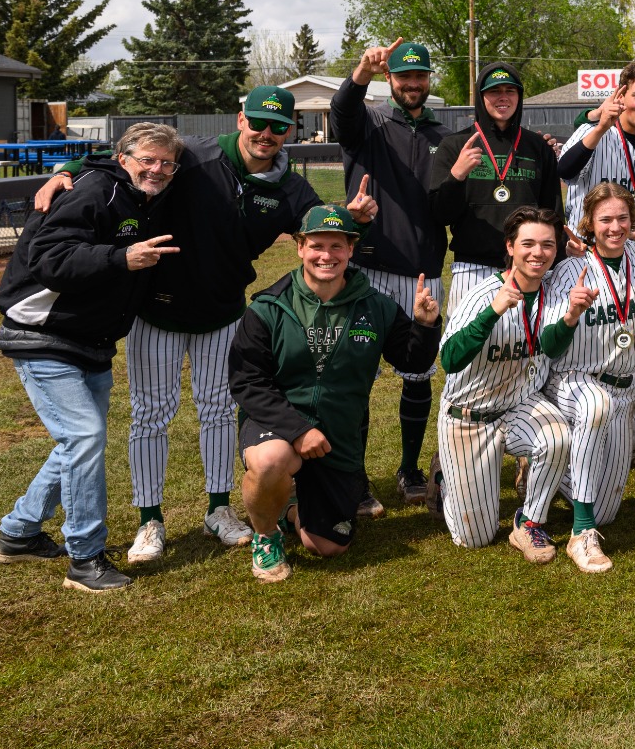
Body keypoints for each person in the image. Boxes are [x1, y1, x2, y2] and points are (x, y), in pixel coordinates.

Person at [34, 87, 361, 561]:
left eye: (278, 126)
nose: (266, 133)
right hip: (158, 311)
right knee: (151, 414)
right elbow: (121, 158)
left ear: (291, 130)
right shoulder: (194, 153)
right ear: (240, 119)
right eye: (258, 122)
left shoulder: (290, 186)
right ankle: (149, 520)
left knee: (218, 411)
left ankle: (218, 508)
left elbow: (322, 232)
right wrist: (63, 173)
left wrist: (357, 221)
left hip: (224, 314)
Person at [0, 122, 182, 592]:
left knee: (78, 442)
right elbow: (48, 259)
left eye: (165, 162)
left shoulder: (143, 195)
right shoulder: (95, 190)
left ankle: (18, 533)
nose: (156, 169)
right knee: (84, 436)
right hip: (43, 333)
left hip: (91, 340)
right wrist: (121, 258)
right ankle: (85, 557)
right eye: (146, 160)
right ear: (124, 159)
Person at [230, 206, 442, 583]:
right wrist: (298, 430)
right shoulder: (269, 306)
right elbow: (248, 383)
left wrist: (425, 326)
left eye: (336, 246)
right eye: (316, 245)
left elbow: (411, 361)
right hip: (278, 425)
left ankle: (292, 506)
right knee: (269, 462)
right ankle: (266, 537)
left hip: (337, 435)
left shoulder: (375, 305)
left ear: (350, 250)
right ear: (299, 247)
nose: (326, 255)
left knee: (327, 546)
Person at [436, 206, 593, 560]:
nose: (538, 253)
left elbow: (548, 345)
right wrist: (492, 312)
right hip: (468, 415)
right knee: (475, 537)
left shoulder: (553, 292)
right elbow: (450, 360)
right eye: (528, 244)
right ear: (509, 247)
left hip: (518, 404)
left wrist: (570, 318)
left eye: (547, 245)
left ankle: (531, 523)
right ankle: (446, 477)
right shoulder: (482, 294)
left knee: (556, 436)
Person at [333, 37, 451, 506]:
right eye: (404, 76)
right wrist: (361, 69)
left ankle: (408, 468)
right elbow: (342, 111)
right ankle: (356, 478)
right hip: (371, 266)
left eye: (420, 76)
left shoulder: (445, 135)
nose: (413, 84)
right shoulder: (370, 122)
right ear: (390, 79)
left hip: (424, 269)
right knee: (358, 374)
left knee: (419, 372)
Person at [544, 183, 635, 571]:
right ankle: (581, 535)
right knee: (594, 405)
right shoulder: (570, 271)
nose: (614, 227)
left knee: (609, 511)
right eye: (605, 220)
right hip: (576, 378)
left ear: (633, 221)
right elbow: (550, 345)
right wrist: (569, 315)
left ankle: (548, 474)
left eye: (622, 218)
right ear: (589, 223)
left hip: (626, 386)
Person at [431, 62, 563, 307]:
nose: (503, 98)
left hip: (527, 268)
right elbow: (441, 214)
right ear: (481, 97)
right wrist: (457, 176)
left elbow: (553, 212)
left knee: (526, 344)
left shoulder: (538, 147)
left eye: (510, 91)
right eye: (494, 91)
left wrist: (556, 266)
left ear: (519, 96)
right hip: (471, 269)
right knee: (468, 343)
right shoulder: (455, 145)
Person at [556, 59, 635, 227]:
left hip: (633, 244)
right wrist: (600, 128)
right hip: (588, 244)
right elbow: (565, 171)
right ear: (621, 96)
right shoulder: (592, 129)